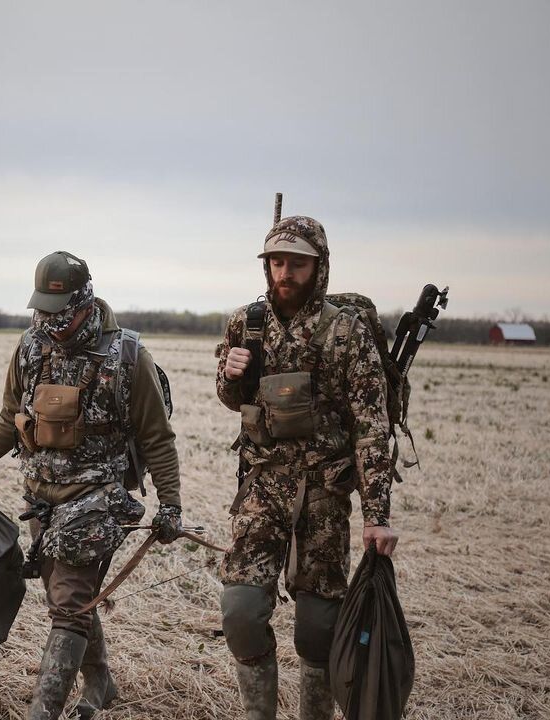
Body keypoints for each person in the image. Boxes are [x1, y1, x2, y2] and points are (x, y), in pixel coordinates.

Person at [0, 250, 182, 720]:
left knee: (68, 606)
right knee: (67, 598)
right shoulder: (29, 348)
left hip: (98, 497)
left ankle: (42, 713)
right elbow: (9, 422)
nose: (48, 322)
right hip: (41, 498)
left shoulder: (128, 357)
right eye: (41, 312)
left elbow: (157, 438)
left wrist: (171, 504)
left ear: (84, 303)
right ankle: (100, 682)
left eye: (58, 314)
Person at [214, 215, 399, 720]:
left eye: (297, 263)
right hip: (262, 487)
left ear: (319, 266)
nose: (285, 272)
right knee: (241, 614)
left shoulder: (346, 333)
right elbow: (233, 399)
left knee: (318, 627)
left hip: (324, 491)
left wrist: (376, 513)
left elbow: (371, 426)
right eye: (277, 262)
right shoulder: (245, 323)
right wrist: (231, 376)